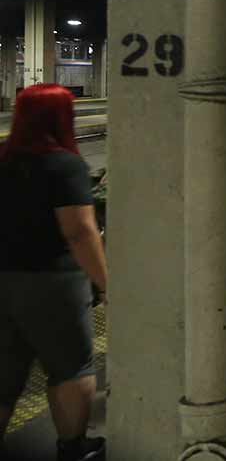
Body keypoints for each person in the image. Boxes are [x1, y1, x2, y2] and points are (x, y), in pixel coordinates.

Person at [0, 84, 108, 461]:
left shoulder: (3, 158)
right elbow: (79, 231)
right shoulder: (65, 165)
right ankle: (73, 449)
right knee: (71, 367)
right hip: (53, 283)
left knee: (5, 375)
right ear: (62, 117)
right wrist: (106, 281)